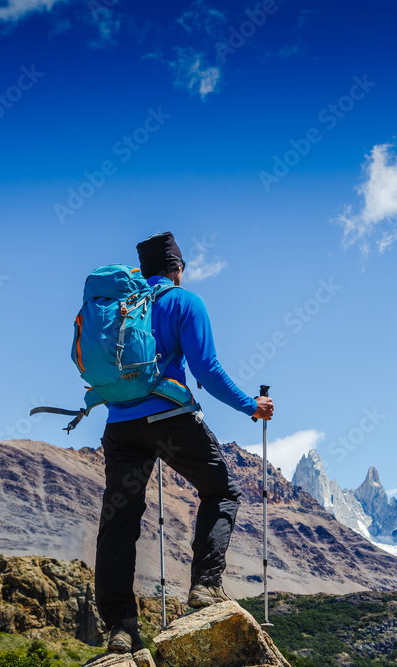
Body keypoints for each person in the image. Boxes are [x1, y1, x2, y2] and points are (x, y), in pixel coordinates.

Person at [95, 231, 273, 654]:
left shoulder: (121, 309)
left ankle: (120, 628)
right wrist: (252, 405)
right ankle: (205, 587)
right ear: (177, 269)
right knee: (221, 490)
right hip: (170, 419)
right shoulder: (183, 302)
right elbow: (206, 370)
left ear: (143, 270)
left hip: (120, 426)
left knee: (119, 520)